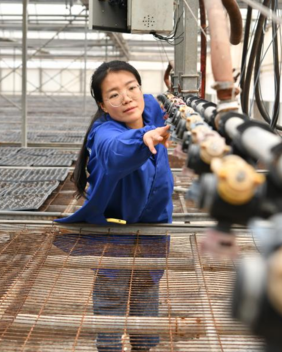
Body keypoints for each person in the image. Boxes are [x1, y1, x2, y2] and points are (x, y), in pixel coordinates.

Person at [54, 60, 174, 351]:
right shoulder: (104, 134)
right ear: (103, 104)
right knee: (111, 300)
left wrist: (172, 100)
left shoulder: (147, 107)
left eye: (131, 87)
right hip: (114, 235)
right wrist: (143, 137)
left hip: (153, 234)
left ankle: (143, 347)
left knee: (146, 296)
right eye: (114, 94)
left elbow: (153, 102)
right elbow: (115, 151)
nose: (126, 97)